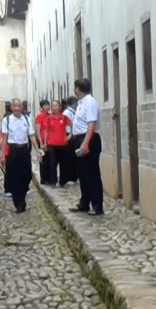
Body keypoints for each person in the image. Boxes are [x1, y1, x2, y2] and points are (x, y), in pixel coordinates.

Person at [0, 99, 40, 213]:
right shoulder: (7, 120)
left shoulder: (26, 119)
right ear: (11, 107)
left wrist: (38, 150)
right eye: (14, 106)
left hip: (25, 150)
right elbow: (4, 138)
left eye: (19, 106)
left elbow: (32, 136)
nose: (17, 108)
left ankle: (23, 194)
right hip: (13, 150)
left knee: (26, 176)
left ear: (22, 107)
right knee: (15, 178)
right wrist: (1, 154)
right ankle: (19, 204)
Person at [70, 79, 104, 215]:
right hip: (80, 138)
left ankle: (97, 206)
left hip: (88, 139)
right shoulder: (81, 103)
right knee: (83, 174)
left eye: (75, 88)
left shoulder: (90, 102)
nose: (74, 90)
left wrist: (85, 142)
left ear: (78, 89)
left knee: (92, 174)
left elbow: (91, 124)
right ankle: (84, 203)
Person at [45, 101, 73, 187]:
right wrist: (44, 142)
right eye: (53, 105)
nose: (54, 107)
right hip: (51, 144)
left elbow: (72, 126)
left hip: (63, 144)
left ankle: (62, 182)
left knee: (63, 164)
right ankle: (53, 182)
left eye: (56, 105)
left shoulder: (64, 117)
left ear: (60, 107)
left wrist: (69, 136)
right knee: (52, 163)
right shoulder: (49, 118)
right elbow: (46, 131)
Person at [60, 97, 79, 184]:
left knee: (73, 156)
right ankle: (70, 177)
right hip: (68, 135)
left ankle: (73, 176)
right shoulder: (67, 113)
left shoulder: (72, 112)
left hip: (72, 135)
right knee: (69, 157)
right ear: (73, 103)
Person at [35, 100, 54, 185]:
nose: (47, 107)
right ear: (42, 107)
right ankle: (43, 179)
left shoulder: (49, 115)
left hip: (49, 141)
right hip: (42, 141)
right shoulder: (39, 116)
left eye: (48, 105)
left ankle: (49, 179)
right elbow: (38, 130)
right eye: (45, 105)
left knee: (50, 160)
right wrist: (41, 143)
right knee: (43, 160)